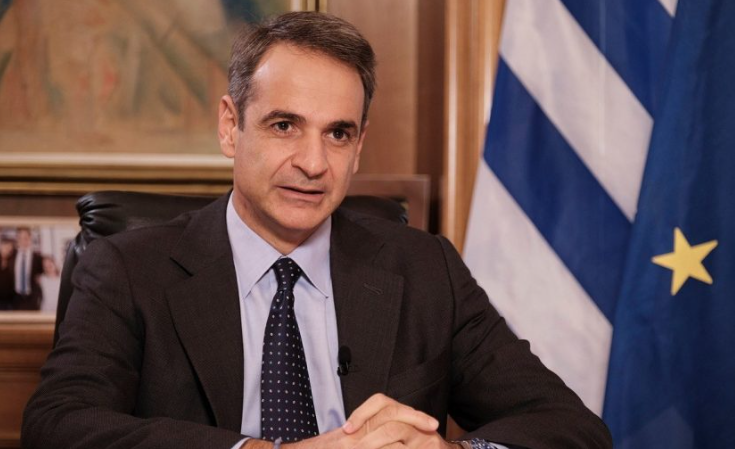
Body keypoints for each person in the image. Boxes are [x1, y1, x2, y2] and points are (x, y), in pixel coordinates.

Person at [22, 12, 611, 449]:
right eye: (284, 125)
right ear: (230, 126)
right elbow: (58, 425)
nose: (313, 162)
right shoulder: (128, 268)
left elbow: (571, 428)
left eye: (338, 134)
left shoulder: (425, 269)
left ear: (359, 146)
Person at [12, 227, 44, 311]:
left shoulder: (38, 257)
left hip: (33, 298)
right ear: (16, 239)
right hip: (14, 299)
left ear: (30, 238)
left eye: (25, 238)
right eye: (20, 238)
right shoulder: (11, 256)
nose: (23, 241)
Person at [0, 237, 15, 310]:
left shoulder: (12, 261)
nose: (8, 251)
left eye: (10, 249)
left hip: (9, 302)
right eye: (6, 247)